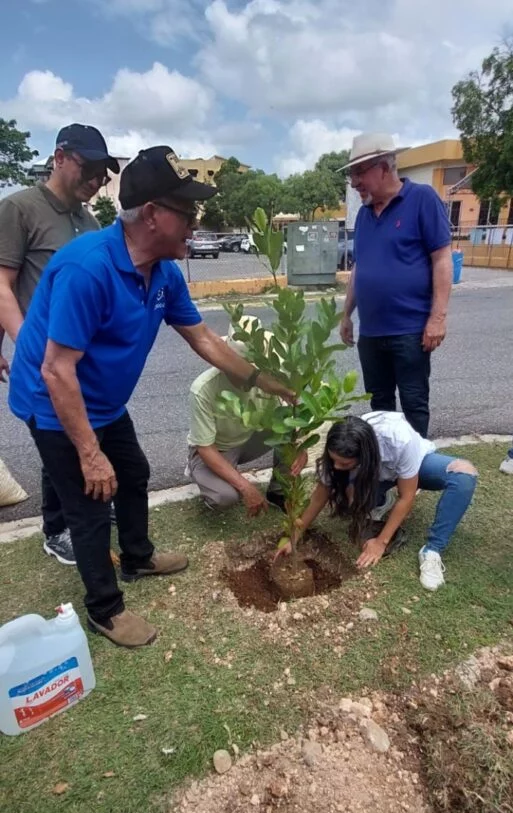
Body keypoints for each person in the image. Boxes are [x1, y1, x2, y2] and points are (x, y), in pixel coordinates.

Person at [8, 145, 295, 648]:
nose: (195, 223)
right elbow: (56, 371)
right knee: (91, 502)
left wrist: (262, 380)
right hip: (55, 401)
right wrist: (90, 453)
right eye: (187, 213)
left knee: (134, 473)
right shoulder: (88, 268)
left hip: (102, 401)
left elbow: (203, 339)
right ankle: (106, 610)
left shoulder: (162, 271)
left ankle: (138, 557)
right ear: (152, 215)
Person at [0, 123, 119, 565]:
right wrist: (22, 345)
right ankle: (56, 529)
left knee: (80, 435)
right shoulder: (19, 209)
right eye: (89, 168)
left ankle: (81, 510)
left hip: (79, 357)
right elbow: (2, 285)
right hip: (44, 356)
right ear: (61, 156)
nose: (95, 181)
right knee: (56, 439)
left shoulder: (88, 221)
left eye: (103, 174)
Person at [276, 412, 477, 592]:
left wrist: (381, 542)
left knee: (464, 475)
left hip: (412, 469)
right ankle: (379, 500)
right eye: (333, 460)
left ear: (364, 454)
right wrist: (295, 536)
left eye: (344, 463)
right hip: (372, 476)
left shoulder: (400, 440)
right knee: (354, 503)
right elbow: (319, 496)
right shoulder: (343, 441)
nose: (336, 467)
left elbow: (406, 497)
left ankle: (432, 550)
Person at [339, 133, 453, 438]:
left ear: (384, 168)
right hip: (372, 333)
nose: (354, 183)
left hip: (411, 331)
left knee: (414, 403)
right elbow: (359, 267)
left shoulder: (422, 199)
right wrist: (346, 313)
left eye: (359, 173)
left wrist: (437, 318)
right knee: (380, 407)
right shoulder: (363, 215)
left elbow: (442, 259)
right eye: (352, 175)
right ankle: (387, 471)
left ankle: (412, 476)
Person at [187, 316, 306, 514]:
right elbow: (206, 448)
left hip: (250, 439)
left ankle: (278, 491)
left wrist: (301, 445)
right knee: (225, 497)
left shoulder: (270, 377)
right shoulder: (203, 389)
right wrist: (246, 486)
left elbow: (292, 412)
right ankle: (204, 476)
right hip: (218, 449)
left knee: (287, 430)